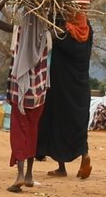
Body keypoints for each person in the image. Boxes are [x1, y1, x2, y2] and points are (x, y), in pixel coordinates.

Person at [0, 0, 51, 192]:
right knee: (32, 130)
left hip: (19, 92)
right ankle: (30, 175)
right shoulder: (48, 34)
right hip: (39, 93)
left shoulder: (19, 31)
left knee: (19, 131)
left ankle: (20, 175)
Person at [36, 10, 94, 179]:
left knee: (58, 122)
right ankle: (85, 155)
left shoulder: (61, 32)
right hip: (82, 85)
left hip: (61, 85)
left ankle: (61, 167)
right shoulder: (88, 29)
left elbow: (47, 37)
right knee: (78, 122)